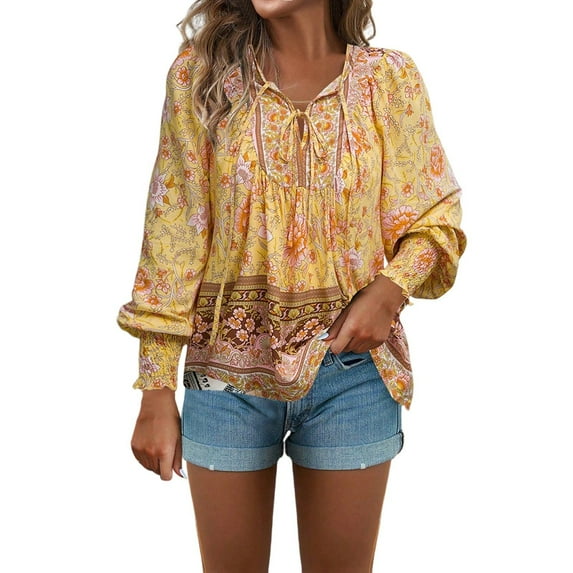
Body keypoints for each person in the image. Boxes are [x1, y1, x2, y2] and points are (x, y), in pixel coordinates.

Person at [118, 0, 466, 571]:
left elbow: (435, 218)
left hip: (352, 373)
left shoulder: (388, 80)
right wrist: (155, 387)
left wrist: (389, 291)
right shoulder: (201, 78)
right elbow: (173, 232)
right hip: (225, 377)